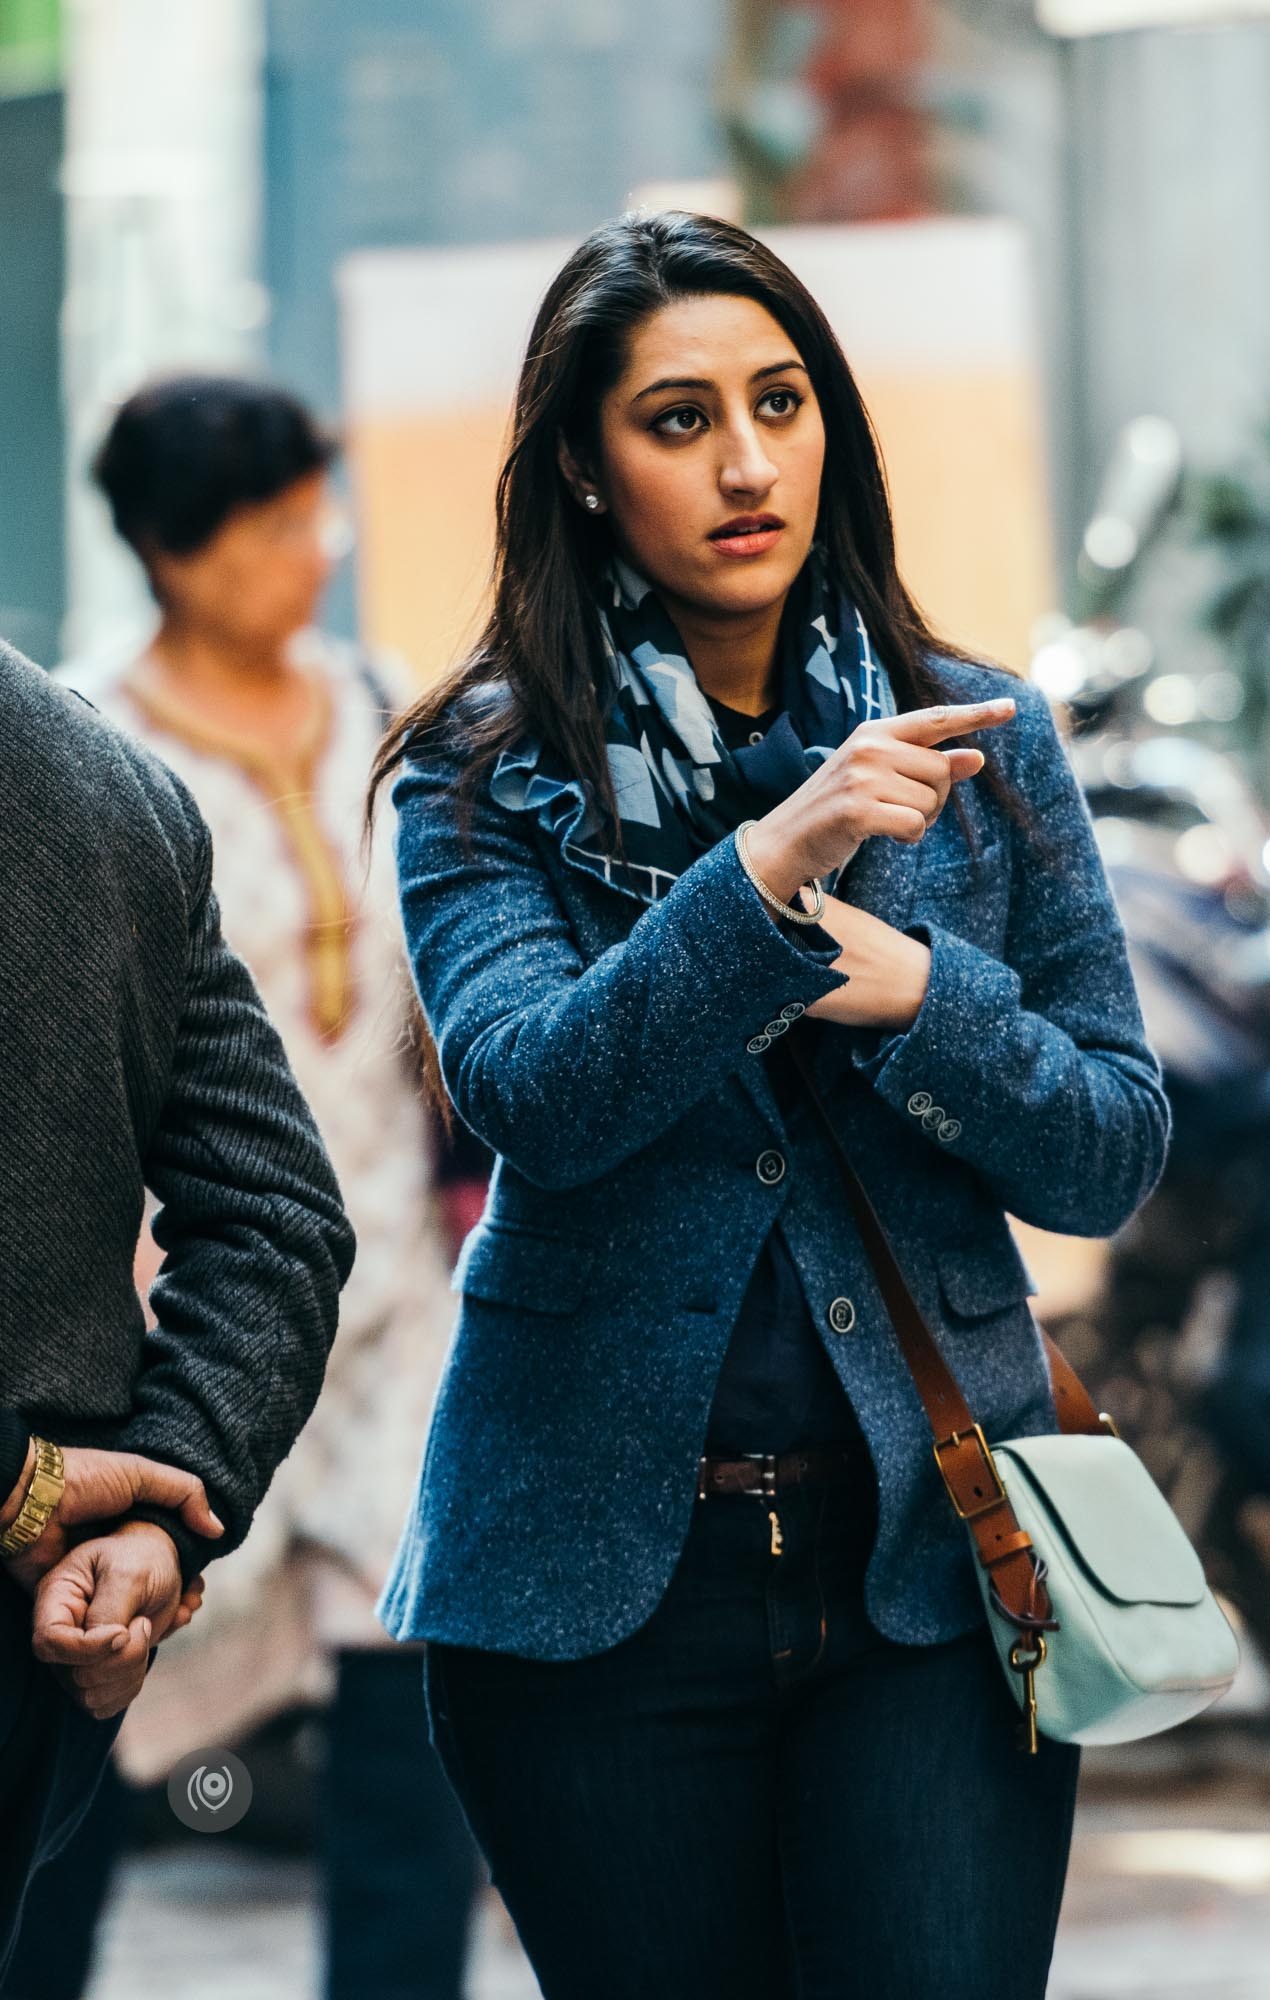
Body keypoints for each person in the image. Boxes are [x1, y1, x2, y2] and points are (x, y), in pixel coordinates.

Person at [369, 208, 1171, 1998]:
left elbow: (1112, 1146)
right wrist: (769, 878)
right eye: (677, 419)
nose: (747, 463)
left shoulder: (984, 738)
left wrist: (925, 1001)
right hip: (592, 1592)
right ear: (582, 465)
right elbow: (537, 1096)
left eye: (783, 402)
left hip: (936, 1561)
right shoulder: (483, 772)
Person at [2, 378, 482, 2000]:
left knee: (412, 1730)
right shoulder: (87, 750)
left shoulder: (375, 703)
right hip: (158, 1324)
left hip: (391, 1294)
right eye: (279, 524)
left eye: (316, 511)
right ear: (170, 552)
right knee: (107, 1718)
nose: (317, 549)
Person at [0, 637, 356, 1976]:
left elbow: (278, 1220)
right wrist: (164, 1501)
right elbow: (282, 1219)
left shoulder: (109, 795)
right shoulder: (111, 785)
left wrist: (152, 1503)